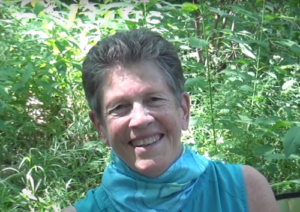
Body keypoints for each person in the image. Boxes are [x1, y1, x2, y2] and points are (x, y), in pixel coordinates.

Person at [63, 28, 279, 212]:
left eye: (154, 99)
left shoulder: (245, 191)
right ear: (101, 128)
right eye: (120, 107)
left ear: (183, 110)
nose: (139, 120)